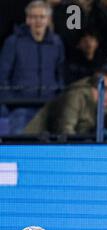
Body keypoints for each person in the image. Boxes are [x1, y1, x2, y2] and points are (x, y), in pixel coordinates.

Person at [0, 0, 65, 134]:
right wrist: (11, 101)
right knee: (19, 147)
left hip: (48, 107)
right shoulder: (13, 42)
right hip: (20, 109)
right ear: (28, 19)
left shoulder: (56, 43)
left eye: (42, 17)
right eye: (34, 17)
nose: (38, 21)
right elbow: (3, 75)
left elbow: (60, 74)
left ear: (48, 20)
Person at [23, 70, 107, 135]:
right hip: (35, 143)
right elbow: (65, 130)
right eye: (106, 89)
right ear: (93, 89)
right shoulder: (75, 97)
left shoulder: (102, 106)